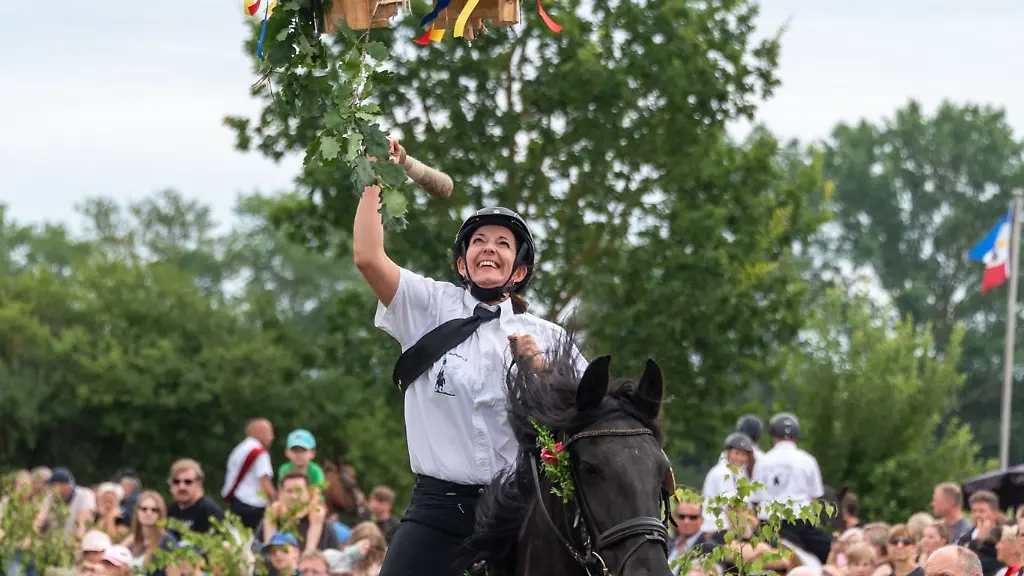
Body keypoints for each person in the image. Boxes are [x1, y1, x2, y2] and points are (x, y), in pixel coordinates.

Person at [353, 139, 587, 576]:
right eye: (479, 241)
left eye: (503, 243)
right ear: (463, 264)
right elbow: (367, 257)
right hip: (437, 510)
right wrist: (374, 175)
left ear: (518, 271)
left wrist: (543, 371)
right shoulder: (427, 307)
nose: (489, 248)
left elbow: (588, 419)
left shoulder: (550, 339)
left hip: (519, 512)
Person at [751, 412, 832, 564]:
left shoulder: (762, 461)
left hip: (769, 523)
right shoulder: (808, 460)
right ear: (796, 437)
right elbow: (815, 496)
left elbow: (755, 498)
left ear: (773, 437)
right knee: (831, 551)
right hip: (800, 522)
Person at [701, 432, 755, 534]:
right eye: (737, 453)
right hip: (715, 529)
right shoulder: (723, 473)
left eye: (744, 454)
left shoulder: (736, 472)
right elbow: (733, 507)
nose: (740, 458)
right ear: (727, 452)